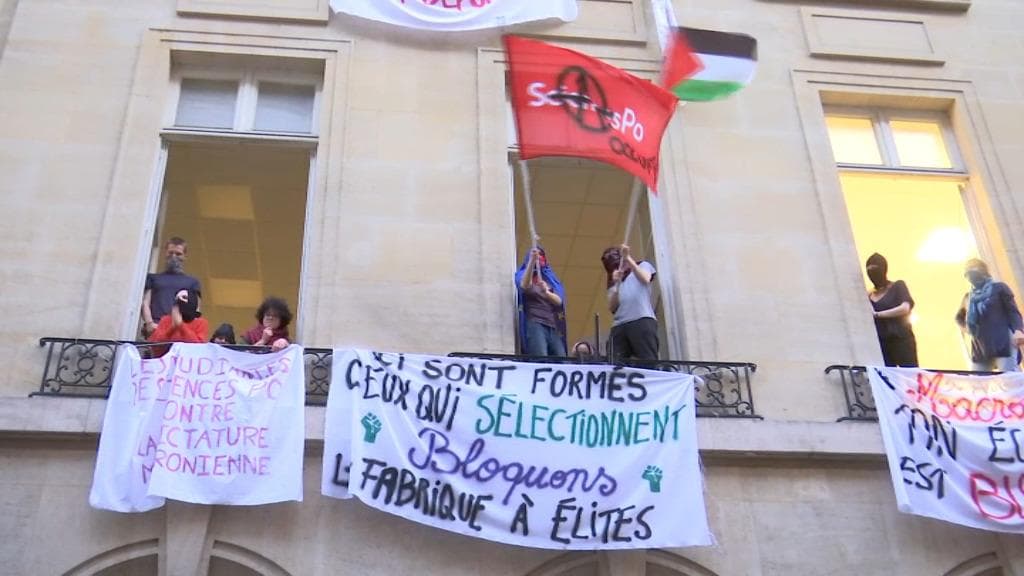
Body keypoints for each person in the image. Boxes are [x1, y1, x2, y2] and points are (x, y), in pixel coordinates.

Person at [955, 258, 1024, 372]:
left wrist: (1018, 330)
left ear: (984, 271)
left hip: (1003, 342)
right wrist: (967, 328)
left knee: (1008, 378)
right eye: (967, 270)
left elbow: (1012, 311)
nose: (971, 273)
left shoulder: (999, 288)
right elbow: (958, 318)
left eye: (974, 268)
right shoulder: (968, 297)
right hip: (980, 347)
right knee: (977, 383)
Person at [602, 244, 658, 361]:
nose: (618, 268)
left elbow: (646, 279)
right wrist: (616, 285)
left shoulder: (642, 266)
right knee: (614, 361)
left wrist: (628, 258)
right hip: (620, 324)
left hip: (641, 318)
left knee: (647, 358)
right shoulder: (613, 281)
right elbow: (612, 307)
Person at [141, 237, 201, 338]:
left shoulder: (193, 282)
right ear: (165, 253)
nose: (174, 256)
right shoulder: (153, 278)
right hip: (156, 328)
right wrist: (150, 323)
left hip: (180, 331)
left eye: (178, 254)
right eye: (171, 252)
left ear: (185, 256)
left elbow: (197, 309)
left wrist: (186, 329)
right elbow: (145, 303)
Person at [865, 253, 918, 367]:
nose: (872, 273)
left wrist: (878, 315)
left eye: (875, 269)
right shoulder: (868, 295)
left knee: (908, 373)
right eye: (869, 270)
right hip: (883, 343)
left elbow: (905, 308)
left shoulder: (898, 286)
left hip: (901, 338)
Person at [515, 246, 567, 356]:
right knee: (540, 354)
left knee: (561, 357)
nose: (539, 258)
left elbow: (558, 301)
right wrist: (531, 262)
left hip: (552, 325)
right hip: (535, 322)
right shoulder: (523, 275)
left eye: (541, 255)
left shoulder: (549, 279)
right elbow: (524, 285)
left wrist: (547, 293)